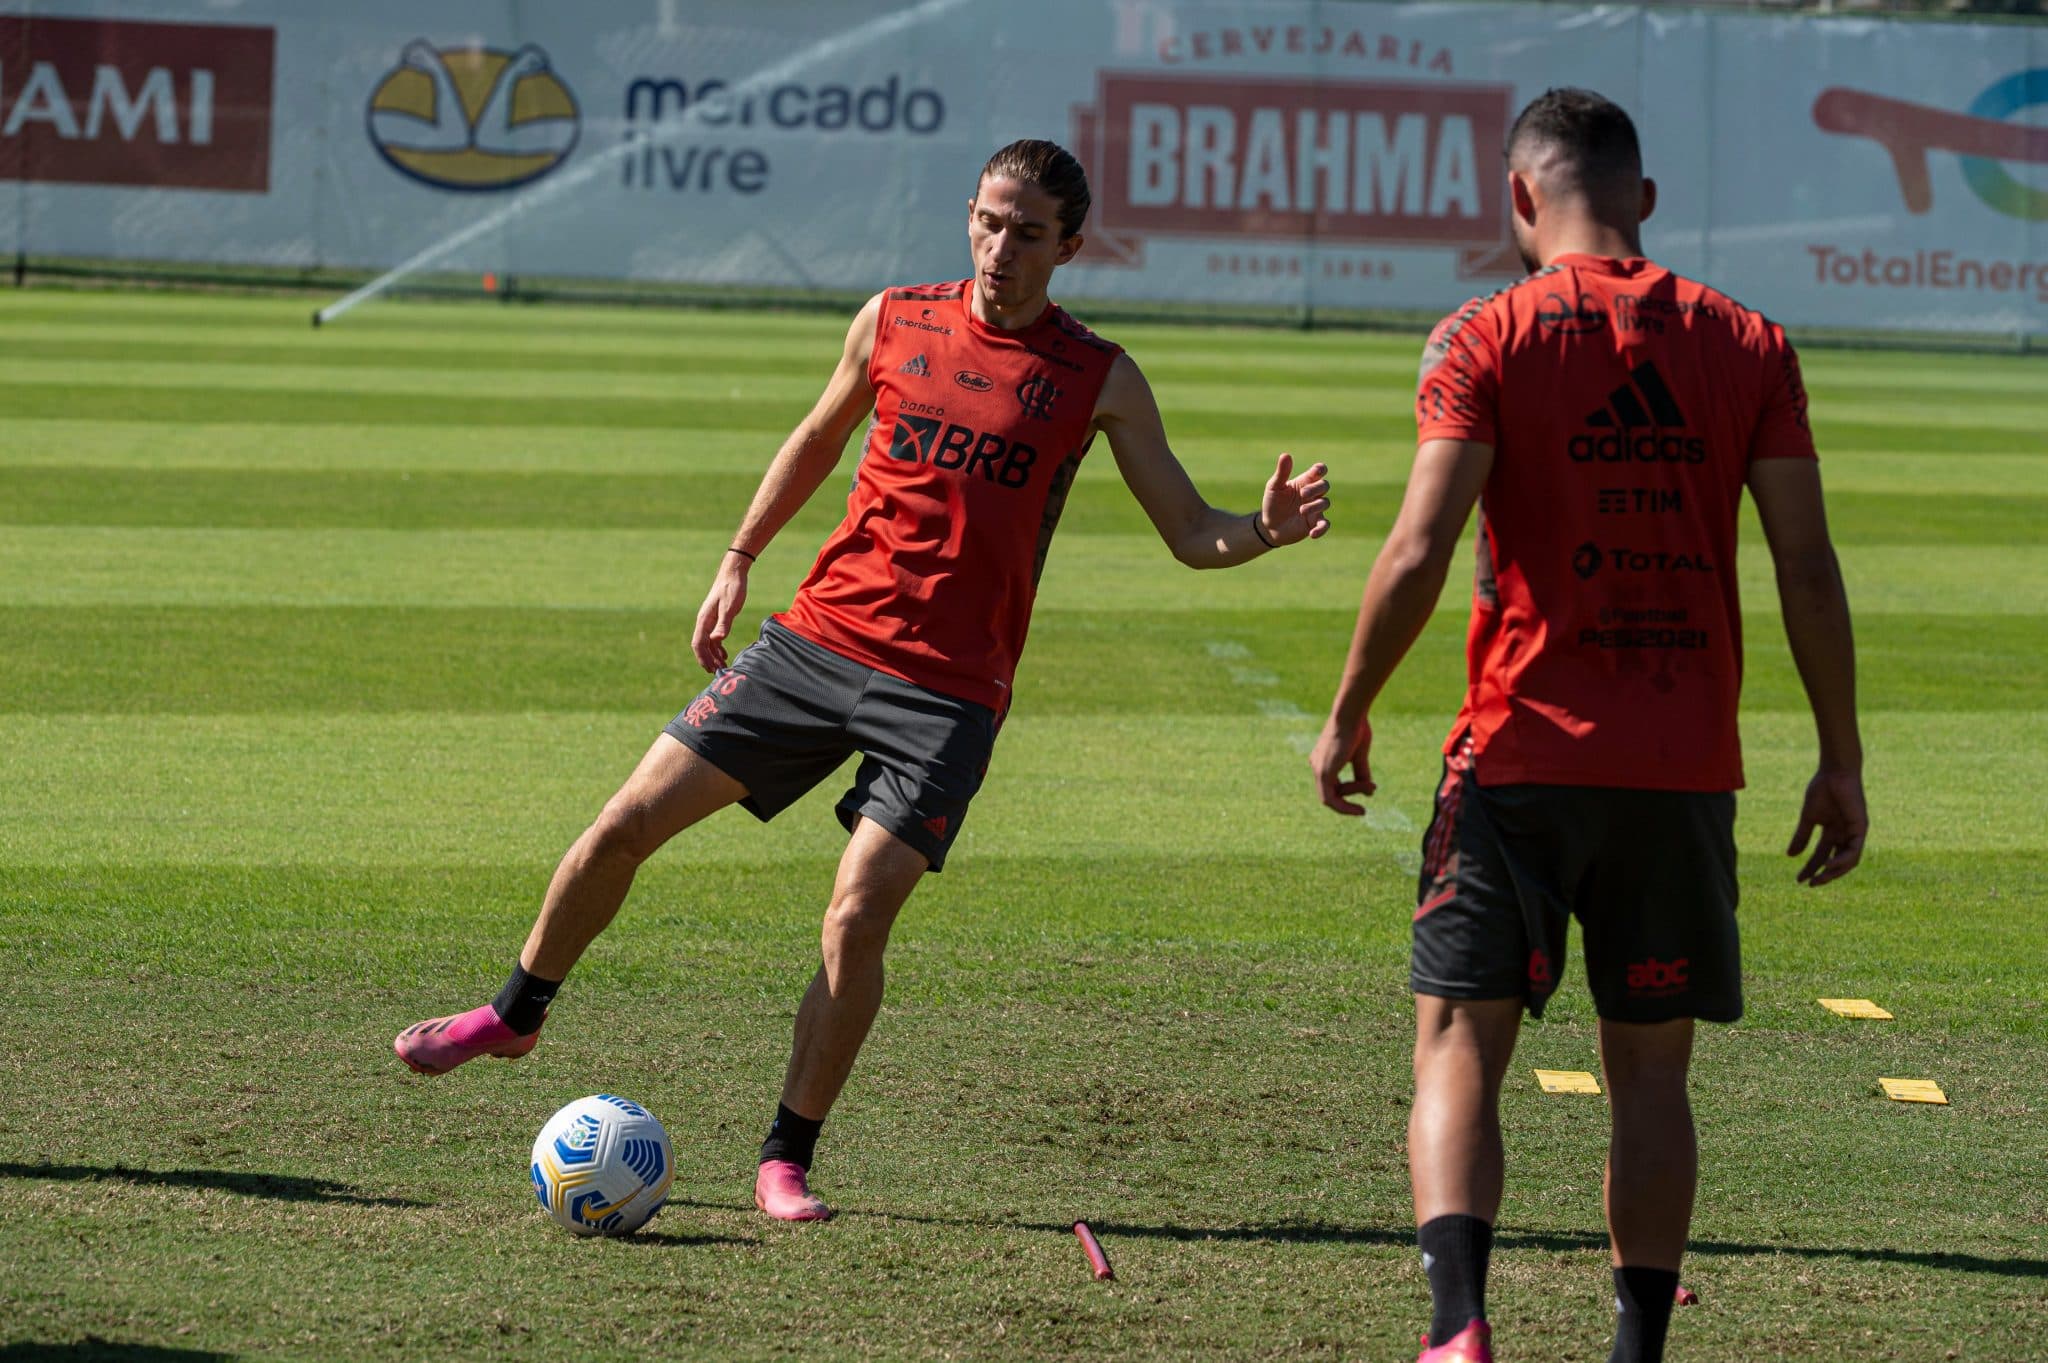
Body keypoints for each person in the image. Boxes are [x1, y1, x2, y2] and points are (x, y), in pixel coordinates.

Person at [395, 138, 1332, 1222]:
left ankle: (784, 1156)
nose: (1000, 247)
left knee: (855, 916)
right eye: (987, 220)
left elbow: (1187, 530)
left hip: (945, 695)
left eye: (1028, 232)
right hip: (813, 645)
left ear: (1069, 246)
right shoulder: (891, 319)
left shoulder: (1098, 376)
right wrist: (738, 557)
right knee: (621, 824)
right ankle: (516, 1010)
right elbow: (813, 436)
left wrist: (1257, 532)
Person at [1309, 90, 1866, 1363]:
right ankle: (1633, 1352)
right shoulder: (1750, 342)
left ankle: (1457, 1329)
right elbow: (1809, 570)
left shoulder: (1483, 335)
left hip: (1514, 759)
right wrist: (1838, 757)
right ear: (1644, 202)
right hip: (1679, 774)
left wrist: (1346, 711)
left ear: (1517, 196)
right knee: (1652, 1076)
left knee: (1456, 1043)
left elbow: (1415, 547)